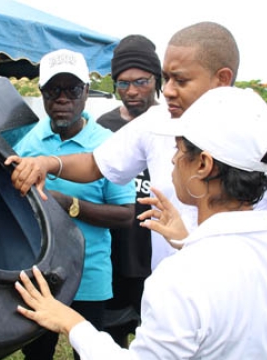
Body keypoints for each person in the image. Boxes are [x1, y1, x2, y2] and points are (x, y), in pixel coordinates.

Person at [14, 87, 267, 359]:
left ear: (203, 165)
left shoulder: (179, 277)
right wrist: (188, 241)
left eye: (179, 150)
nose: (172, 160)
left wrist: (68, 320)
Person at [5, 21, 267, 267]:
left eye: (182, 79)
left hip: (236, 311)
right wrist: (49, 163)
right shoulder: (157, 122)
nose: (170, 91)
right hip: (168, 300)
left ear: (222, 79)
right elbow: (97, 164)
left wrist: (251, 275)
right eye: (167, 78)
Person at [13, 48, 136, 360]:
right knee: (36, 355)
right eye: (54, 89)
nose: (63, 98)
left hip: (88, 276)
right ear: (41, 93)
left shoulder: (109, 145)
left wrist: (68, 204)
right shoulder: (25, 143)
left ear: (85, 92)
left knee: (90, 353)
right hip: (37, 275)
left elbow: (125, 215)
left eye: (72, 89)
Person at [96, 34, 162, 347]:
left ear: (157, 79)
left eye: (141, 81)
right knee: (110, 341)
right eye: (122, 84)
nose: (132, 92)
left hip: (161, 257)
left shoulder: (174, 124)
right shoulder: (102, 127)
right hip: (115, 257)